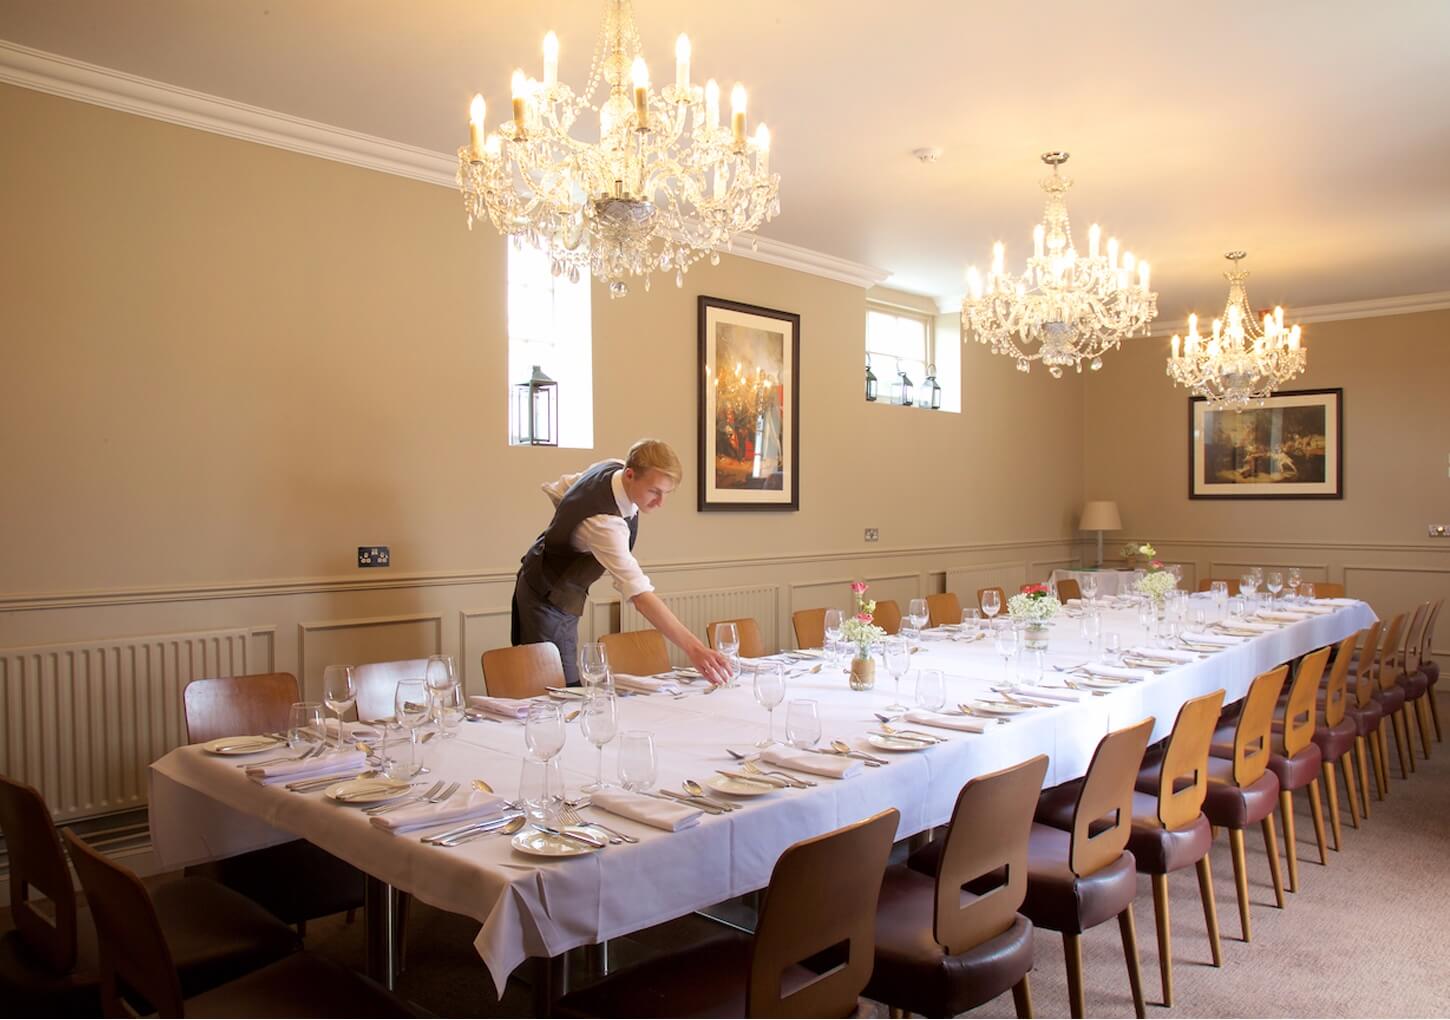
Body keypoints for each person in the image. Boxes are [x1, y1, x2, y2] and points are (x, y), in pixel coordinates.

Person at [511, 438, 732, 687]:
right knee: (559, 688)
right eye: (655, 491)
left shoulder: (612, 468)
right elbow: (639, 594)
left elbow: (563, 486)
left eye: (666, 493)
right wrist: (696, 649)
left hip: (548, 577)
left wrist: (568, 529)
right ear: (630, 475)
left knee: (561, 683)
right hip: (548, 594)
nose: (661, 503)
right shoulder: (605, 525)